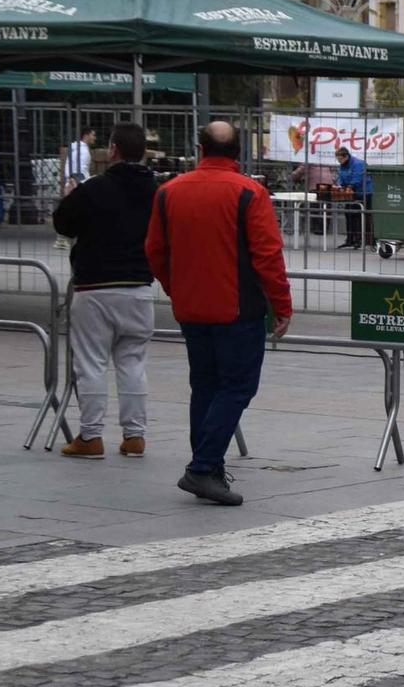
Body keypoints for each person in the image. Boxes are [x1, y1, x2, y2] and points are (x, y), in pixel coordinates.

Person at [145, 121, 293, 506]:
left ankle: (207, 470)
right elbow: (267, 255)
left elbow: (155, 251)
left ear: (200, 148)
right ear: (238, 152)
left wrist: (175, 287)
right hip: (237, 308)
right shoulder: (248, 192)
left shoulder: (168, 192)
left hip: (191, 306)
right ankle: (202, 467)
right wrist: (281, 304)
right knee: (238, 387)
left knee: (205, 386)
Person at [53, 123, 158, 460]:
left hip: (95, 286)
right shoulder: (157, 191)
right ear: (142, 151)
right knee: (132, 362)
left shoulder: (94, 188)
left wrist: (71, 199)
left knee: (92, 363)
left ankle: (91, 436)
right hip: (139, 287)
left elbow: (63, 223)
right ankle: (134, 436)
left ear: (112, 150)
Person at [57, 125, 96, 249]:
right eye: (93, 135)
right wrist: (82, 182)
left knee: (70, 210)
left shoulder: (74, 149)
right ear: (86, 135)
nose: (94, 137)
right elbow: (80, 168)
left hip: (72, 181)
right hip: (78, 183)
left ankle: (63, 238)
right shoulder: (83, 151)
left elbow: (71, 166)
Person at [333, 146, 374, 249]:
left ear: (346, 156)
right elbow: (341, 177)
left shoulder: (358, 164)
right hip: (351, 193)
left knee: (360, 215)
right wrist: (340, 185)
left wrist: (349, 186)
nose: (339, 161)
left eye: (341, 159)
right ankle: (350, 239)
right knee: (348, 213)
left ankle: (361, 240)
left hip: (364, 192)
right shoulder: (343, 165)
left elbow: (358, 177)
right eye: (338, 159)